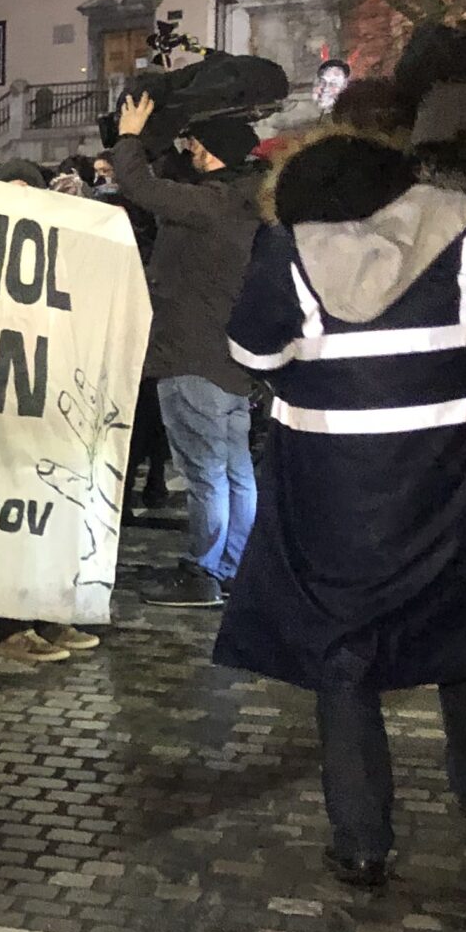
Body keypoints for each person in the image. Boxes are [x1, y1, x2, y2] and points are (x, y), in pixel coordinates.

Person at [218, 127, 466, 889]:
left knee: (343, 648)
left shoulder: (288, 252)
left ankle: (363, 838)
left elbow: (252, 355)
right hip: (463, 471)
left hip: (336, 486)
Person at [100, 94, 268, 607]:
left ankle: (203, 571)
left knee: (205, 474)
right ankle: (234, 565)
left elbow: (144, 188)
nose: (190, 149)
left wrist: (129, 137)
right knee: (236, 472)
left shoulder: (213, 204)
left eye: (196, 144)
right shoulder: (245, 202)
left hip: (194, 354)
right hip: (230, 361)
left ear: (213, 153)